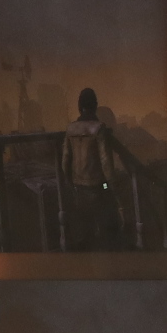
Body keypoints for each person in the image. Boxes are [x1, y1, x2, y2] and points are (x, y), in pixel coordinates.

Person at [58, 88, 123, 250]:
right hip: (99, 188)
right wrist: (112, 187)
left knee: (84, 234)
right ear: (95, 105)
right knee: (109, 232)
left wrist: (70, 183)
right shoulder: (99, 128)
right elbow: (106, 163)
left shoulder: (71, 129)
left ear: (80, 106)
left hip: (78, 188)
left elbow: (65, 161)